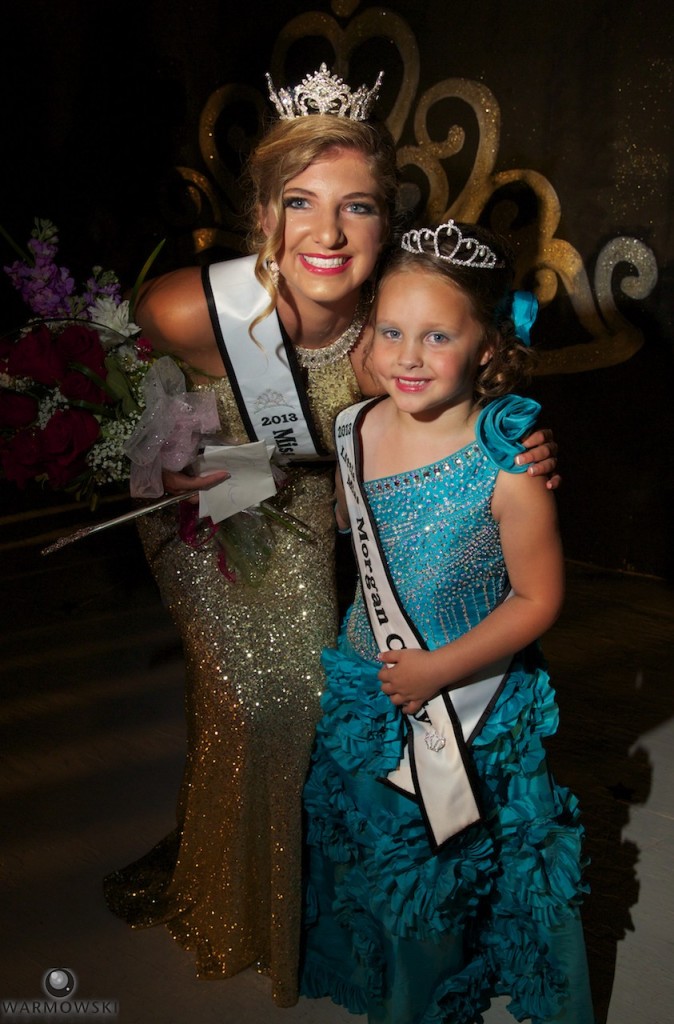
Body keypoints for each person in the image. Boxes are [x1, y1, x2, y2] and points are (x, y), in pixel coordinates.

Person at [102, 67, 559, 1008]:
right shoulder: (188, 311)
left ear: (385, 222)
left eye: (356, 207)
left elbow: (456, 391)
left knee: (314, 703)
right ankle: (229, 899)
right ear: (261, 213)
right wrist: (158, 464)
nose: (328, 233)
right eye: (300, 203)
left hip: (308, 509)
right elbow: (105, 431)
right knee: (258, 700)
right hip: (205, 518)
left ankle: (263, 870)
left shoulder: (386, 325)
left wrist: (520, 436)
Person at [300, 220, 594, 1022]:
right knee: (389, 849)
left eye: (437, 336)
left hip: (475, 696)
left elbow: (539, 600)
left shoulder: (510, 466)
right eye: (391, 331)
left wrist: (438, 669)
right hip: (372, 683)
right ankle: (401, 983)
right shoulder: (353, 430)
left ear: (489, 349)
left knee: (465, 850)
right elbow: (354, 534)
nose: (408, 355)